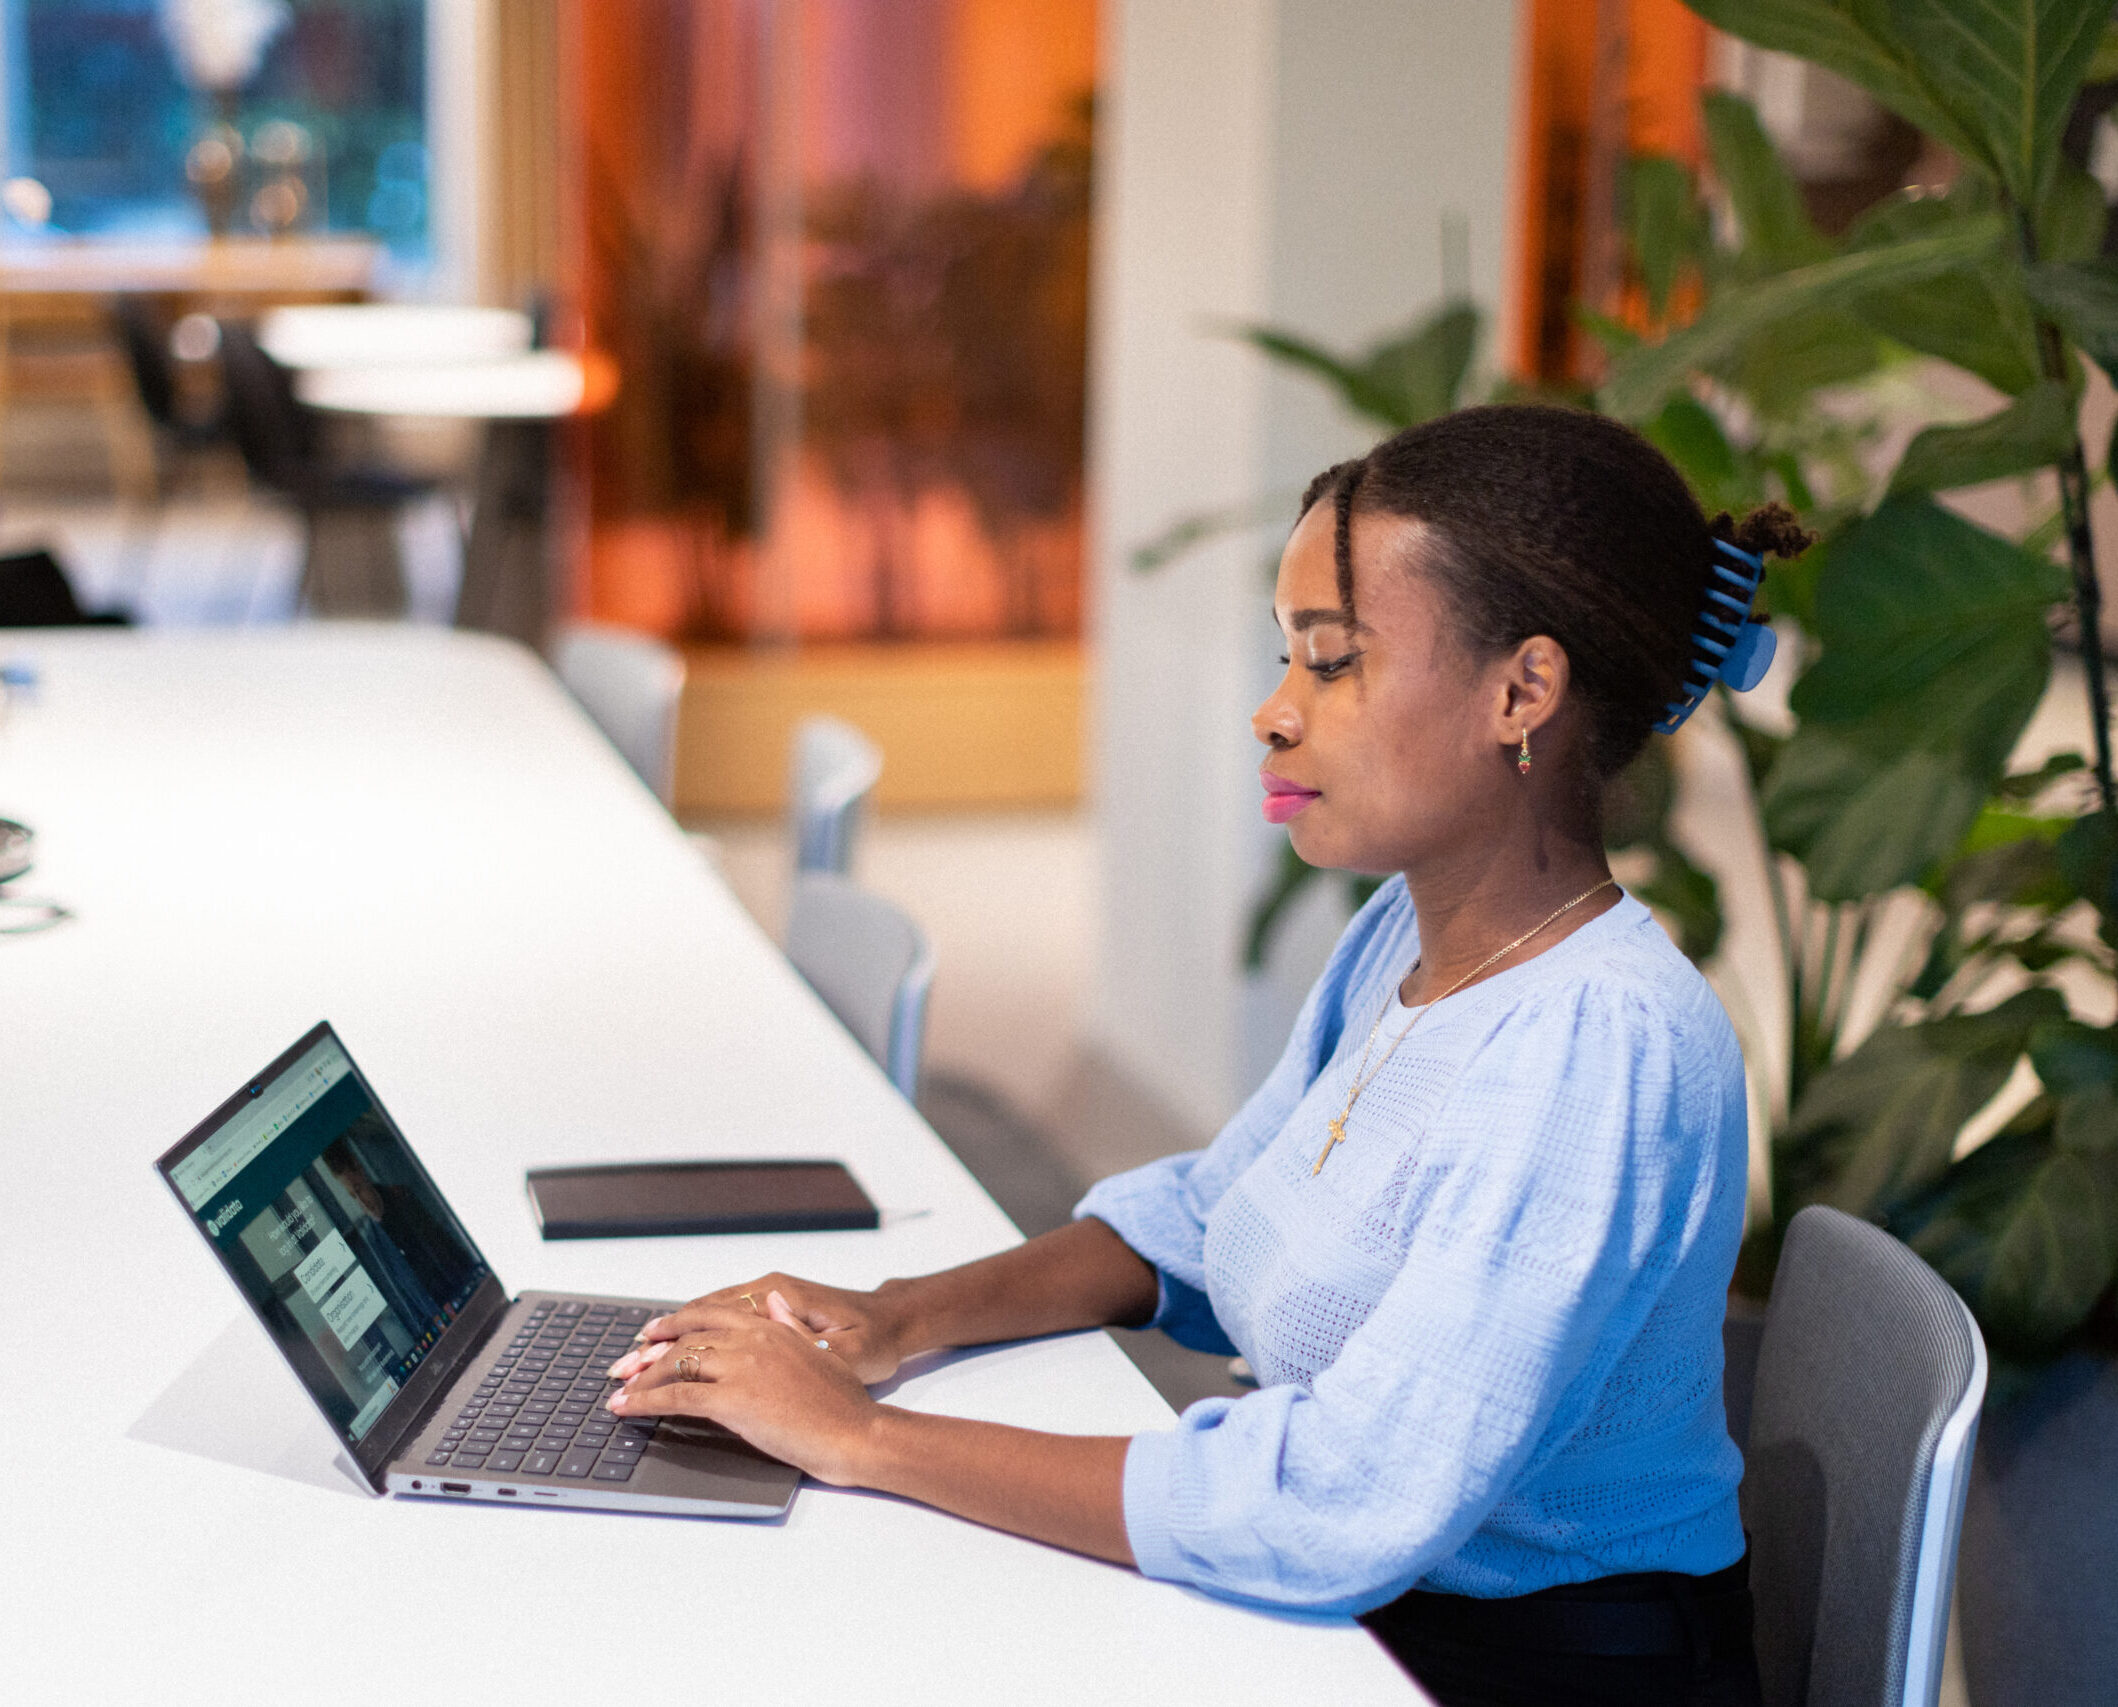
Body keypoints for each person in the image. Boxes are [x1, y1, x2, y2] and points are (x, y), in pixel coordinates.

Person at [604, 405, 1808, 1707]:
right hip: (1366, 1632)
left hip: (1511, 1672)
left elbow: (1335, 1504)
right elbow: (1208, 1215)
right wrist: (894, 1318)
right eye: (1284, 659)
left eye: (1330, 662)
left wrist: (858, 1438)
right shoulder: (1407, 933)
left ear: (1520, 692)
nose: (1272, 714)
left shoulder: (1600, 1051)